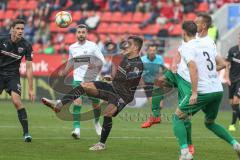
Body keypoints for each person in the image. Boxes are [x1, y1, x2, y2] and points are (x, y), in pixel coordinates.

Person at [41, 35, 144, 150]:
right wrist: (111, 77)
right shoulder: (125, 58)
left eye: (129, 44)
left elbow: (130, 80)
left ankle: (101, 144)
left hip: (123, 95)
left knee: (107, 113)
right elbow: (119, 76)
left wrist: (116, 79)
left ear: (135, 48)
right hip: (112, 88)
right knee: (84, 86)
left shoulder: (138, 65)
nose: (125, 45)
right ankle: (59, 104)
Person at [161, 20, 240, 159]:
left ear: (183, 32)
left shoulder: (186, 47)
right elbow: (222, 64)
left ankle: (185, 153)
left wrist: (195, 92)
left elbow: (193, 68)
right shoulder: (207, 44)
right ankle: (235, 144)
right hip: (217, 90)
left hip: (203, 91)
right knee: (210, 123)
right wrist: (207, 74)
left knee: (177, 117)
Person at [58, 24, 105, 139]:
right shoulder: (72, 48)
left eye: (83, 32)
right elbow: (70, 62)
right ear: (76, 34)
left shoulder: (93, 46)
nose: (81, 34)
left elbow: (102, 60)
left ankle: (96, 122)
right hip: (78, 80)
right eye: (79, 32)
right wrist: (64, 72)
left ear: (86, 33)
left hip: (92, 80)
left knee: (96, 105)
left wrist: (94, 64)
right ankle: (77, 129)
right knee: (77, 103)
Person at [0, 19, 35, 142]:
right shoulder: (2, 40)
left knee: (16, 101)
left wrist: (31, 89)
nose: (20, 31)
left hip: (13, 76)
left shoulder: (26, 45)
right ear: (12, 29)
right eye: (18, 28)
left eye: (22, 29)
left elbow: (29, 68)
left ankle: (26, 133)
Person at [140, 44, 164, 128]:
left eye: (154, 50)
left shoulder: (160, 59)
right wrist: (142, 83)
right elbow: (140, 72)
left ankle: (156, 117)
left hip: (157, 83)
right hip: (148, 83)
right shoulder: (142, 60)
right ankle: (153, 118)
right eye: (150, 50)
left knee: (160, 105)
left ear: (156, 51)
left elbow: (162, 70)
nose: (152, 52)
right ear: (147, 51)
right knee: (153, 102)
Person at [225, 33, 240, 132]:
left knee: (235, 100)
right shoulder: (232, 50)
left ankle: (232, 124)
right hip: (232, 79)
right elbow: (227, 64)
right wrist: (226, 77)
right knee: (232, 103)